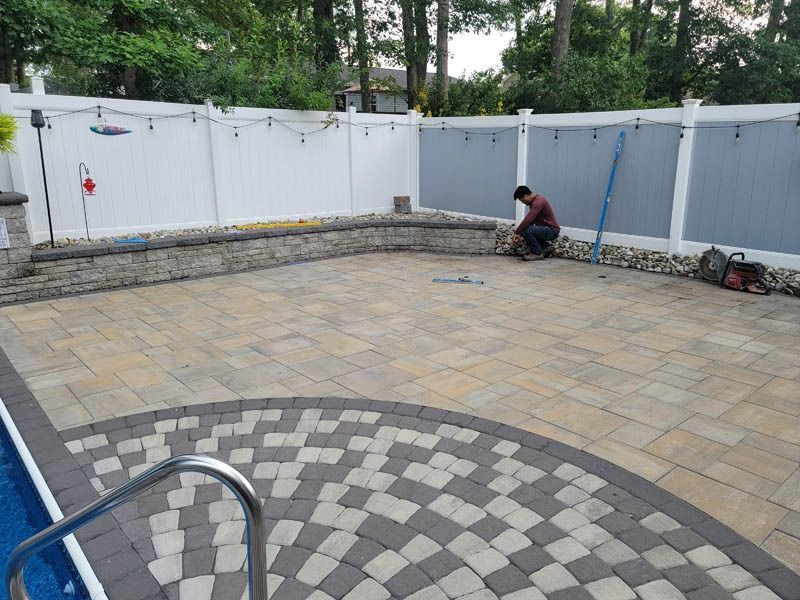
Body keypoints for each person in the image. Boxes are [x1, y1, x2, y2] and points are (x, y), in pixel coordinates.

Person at [511, 186, 560, 261]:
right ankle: (546, 247)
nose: (523, 203)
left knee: (526, 230)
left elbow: (528, 219)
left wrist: (517, 232)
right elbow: (531, 221)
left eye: (522, 201)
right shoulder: (535, 201)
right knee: (526, 230)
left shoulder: (538, 202)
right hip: (547, 229)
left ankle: (537, 253)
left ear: (525, 196)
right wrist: (520, 233)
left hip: (552, 230)